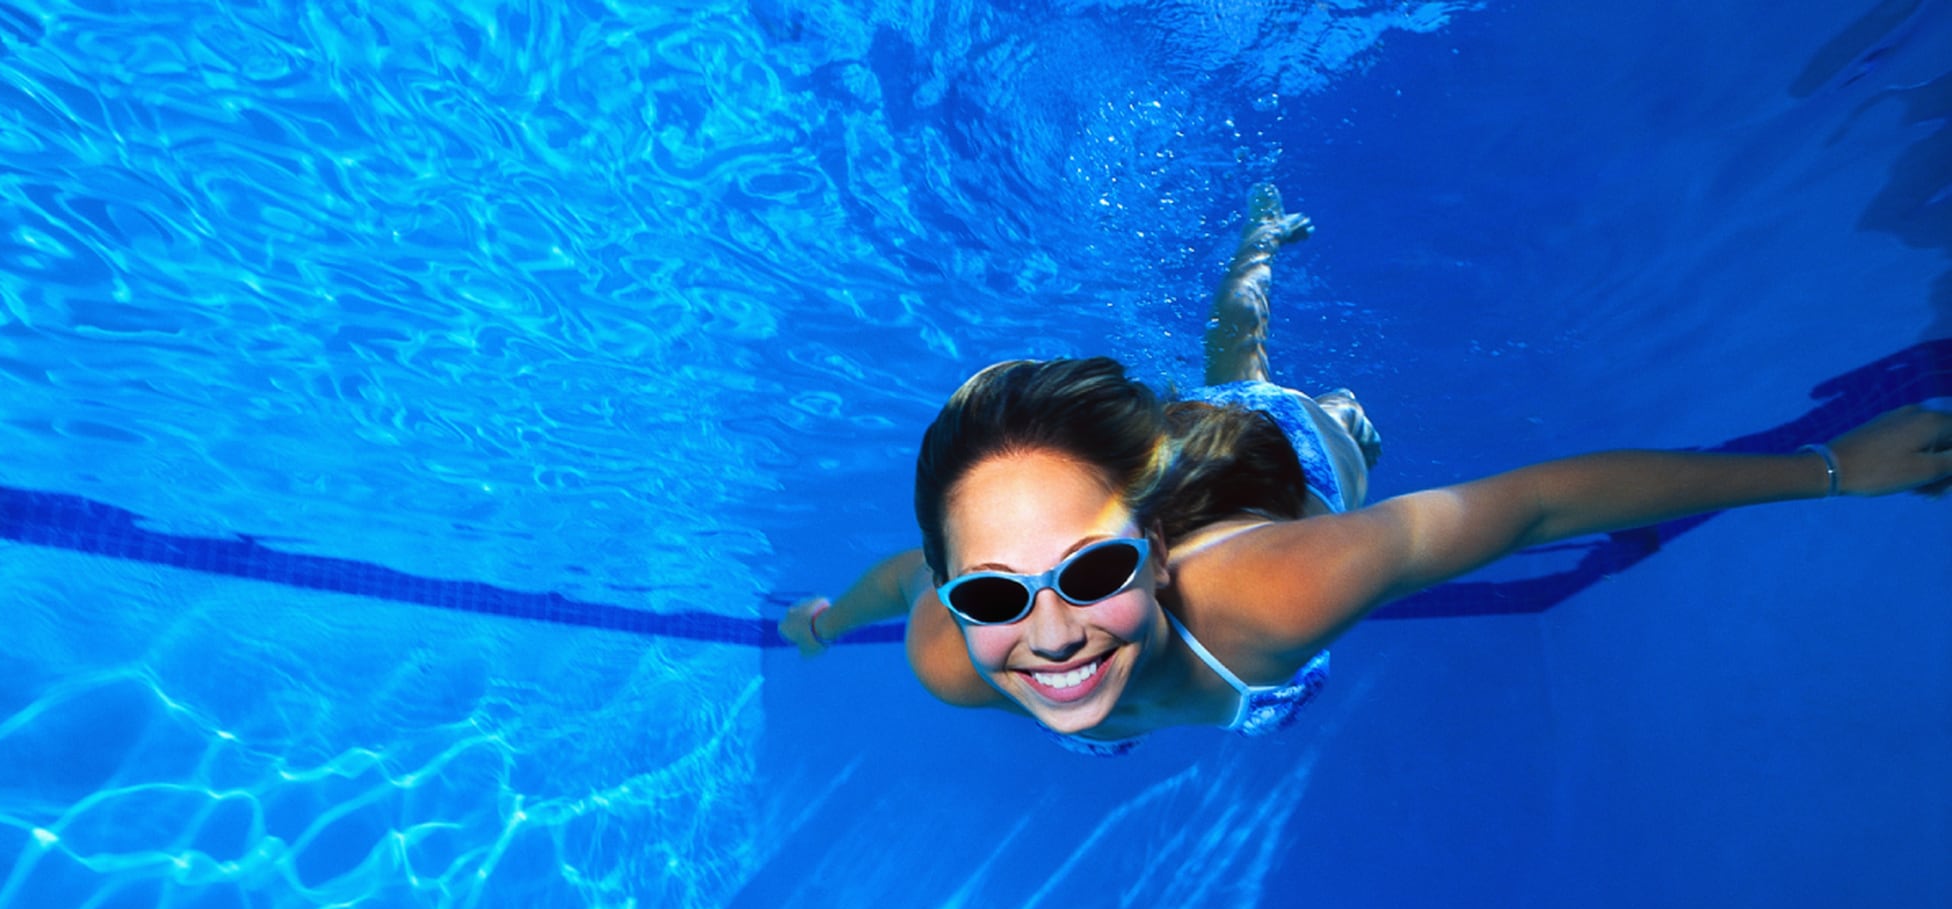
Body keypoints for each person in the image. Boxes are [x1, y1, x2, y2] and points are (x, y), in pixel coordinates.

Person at [781, 184, 1952, 756]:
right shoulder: (953, 654)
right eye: (991, 591)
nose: (1045, 635)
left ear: (1141, 545)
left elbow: (1536, 504)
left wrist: (1831, 465)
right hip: (1189, 445)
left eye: (1089, 570)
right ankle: (1253, 250)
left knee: (1294, 398)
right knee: (1227, 348)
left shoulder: (1279, 591)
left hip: (1279, 450)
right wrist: (836, 614)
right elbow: (907, 574)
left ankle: (1312, 374)